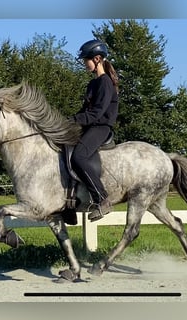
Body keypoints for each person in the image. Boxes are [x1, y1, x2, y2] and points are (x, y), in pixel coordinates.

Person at [70, 39, 119, 222]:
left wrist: (74, 120)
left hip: (101, 127)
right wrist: (68, 122)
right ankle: (69, 204)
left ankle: (101, 199)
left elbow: (96, 114)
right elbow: (85, 112)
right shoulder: (92, 84)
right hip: (89, 125)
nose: (84, 64)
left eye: (86, 60)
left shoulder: (105, 83)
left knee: (78, 157)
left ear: (97, 59)